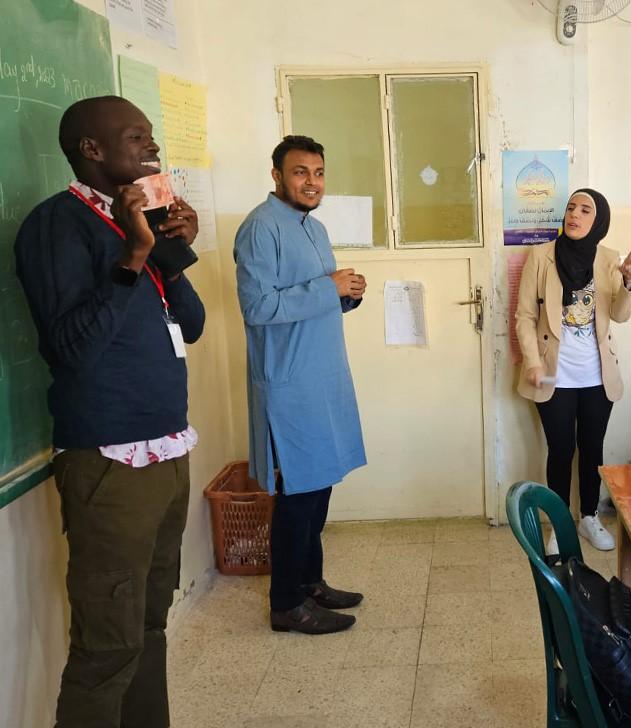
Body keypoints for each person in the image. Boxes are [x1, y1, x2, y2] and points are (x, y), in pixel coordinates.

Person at [14, 95, 205, 728]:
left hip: (166, 449)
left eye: (152, 136)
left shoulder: (138, 220)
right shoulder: (56, 225)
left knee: (149, 624)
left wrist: (169, 252)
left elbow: (195, 326)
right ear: (91, 151)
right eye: (136, 137)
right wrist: (133, 253)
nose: (152, 149)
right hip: (109, 461)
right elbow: (72, 349)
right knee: (108, 644)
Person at [234, 135, 367, 635]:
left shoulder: (314, 226)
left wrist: (347, 295)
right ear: (276, 176)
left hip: (323, 377)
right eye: (300, 172)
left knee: (320, 485)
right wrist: (326, 288)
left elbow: (317, 297)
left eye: (318, 173)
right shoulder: (260, 229)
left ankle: (311, 582)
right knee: (298, 495)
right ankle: (286, 604)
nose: (311, 182)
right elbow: (258, 308)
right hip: (288, 383)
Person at [516, 188, 631, 553]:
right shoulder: (541, 256)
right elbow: (524, 316)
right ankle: (559, 524)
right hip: (554, 373)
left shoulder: (609, 259)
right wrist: (534, 363)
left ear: (598, 220)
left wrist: (629, 282)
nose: (575, 215)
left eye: (586, 210)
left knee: (591, 447)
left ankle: (588, 517)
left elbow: (620, 314)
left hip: (597, 375)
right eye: (571, 208)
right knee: (561, 448)